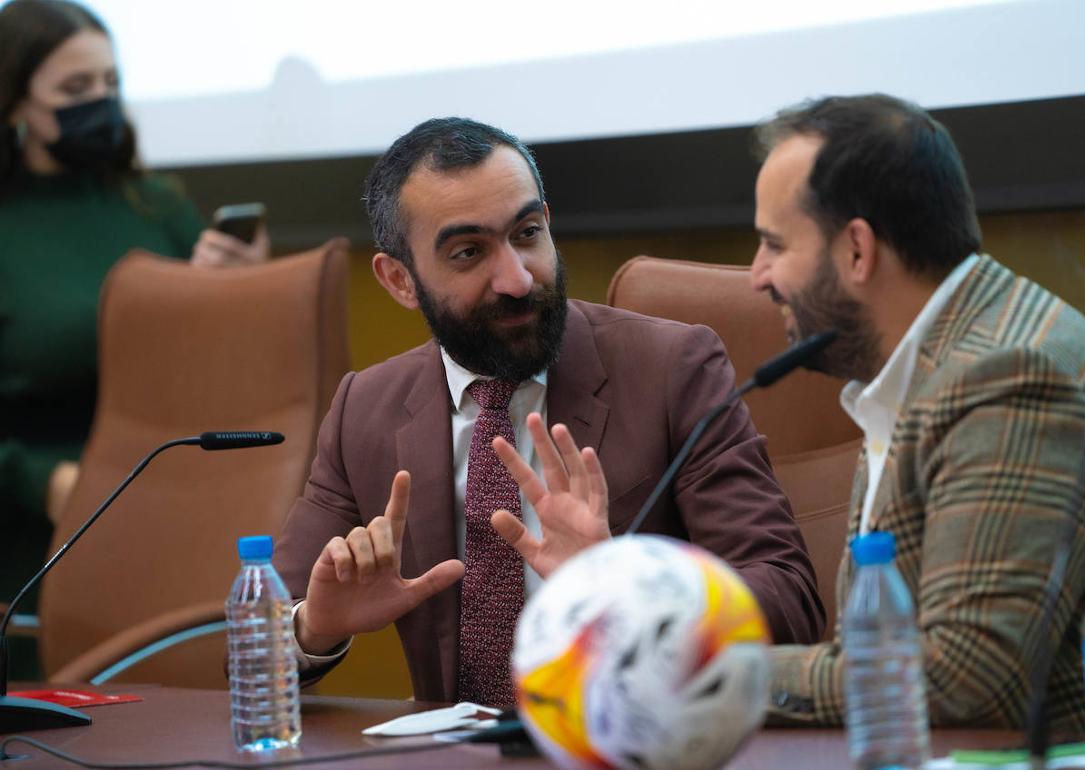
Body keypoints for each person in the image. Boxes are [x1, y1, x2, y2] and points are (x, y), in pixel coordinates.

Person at [272, 117, 824, 705]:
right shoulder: (367, 408)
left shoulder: (672, 369)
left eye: (527, 233)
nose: (516, 278)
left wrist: (624, 589)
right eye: (468, 252)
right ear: (400, 280)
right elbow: (251, 644)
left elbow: (790, 602)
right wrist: (314, 628)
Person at [748, 94, 1085, 740]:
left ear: (857, 252)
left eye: (771, 244)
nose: (756, 275)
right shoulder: (923, 365)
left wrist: (725, 677)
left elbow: (966, 678)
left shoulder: (1007, 373)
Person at [0, 0, 269, 644]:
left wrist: (246, 281)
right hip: (36, 524)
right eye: (74, 88)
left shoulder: (153, 203)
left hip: (167, 503)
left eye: (110, 84)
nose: (101, 101)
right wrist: (40, 482)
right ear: (15, 105)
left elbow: (217, 348)